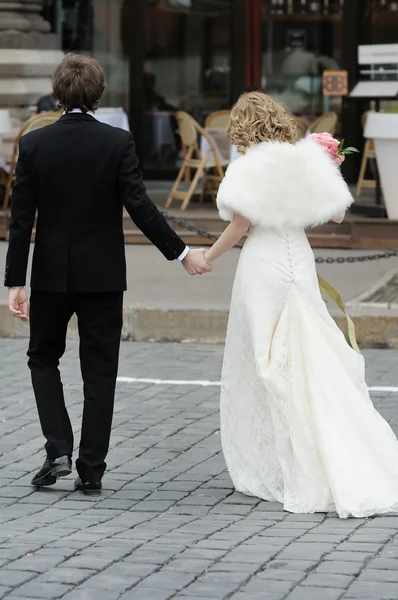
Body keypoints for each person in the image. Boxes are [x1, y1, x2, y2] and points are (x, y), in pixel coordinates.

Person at [5, 53, 211, 495]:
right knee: (100, 370)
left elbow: (20, 220)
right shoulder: (117, 142)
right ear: (98, 94)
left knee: (42, 357)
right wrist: (182, 253)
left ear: (58, 94)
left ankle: (58, 449)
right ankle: (91, 468)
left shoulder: (36, 145)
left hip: (50, 276)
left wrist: (14, 283)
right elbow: (141, 207)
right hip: (102, 276)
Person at [203, 91, 398, 519]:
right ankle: (328, 441)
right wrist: (327, 167)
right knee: (309, 349)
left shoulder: (245, 167)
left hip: (263, 264)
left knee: (266, 358)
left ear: (241, 127)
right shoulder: (303, 160)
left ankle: (278, 459)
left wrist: (207, 257)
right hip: (299, 258)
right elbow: (338, 216)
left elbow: (241, 223)